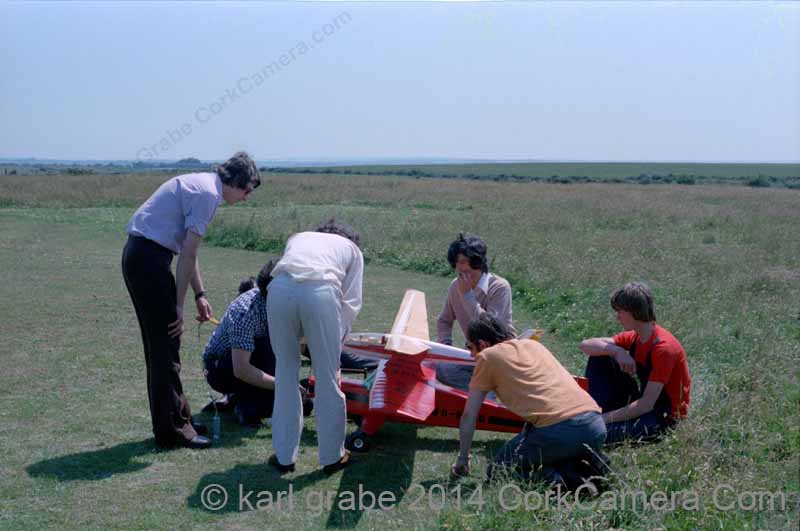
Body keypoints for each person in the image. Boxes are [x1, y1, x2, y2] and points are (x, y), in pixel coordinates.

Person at [121, 151, 261, 449]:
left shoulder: (204, 186)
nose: (247, 196)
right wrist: (178, 307)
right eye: (247, 189)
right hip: (148, 261)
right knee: (164, 348)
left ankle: (179, 419)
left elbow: (188, 249)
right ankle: (172, 431)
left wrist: (200, 294)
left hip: (146, 257)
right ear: (235, 181)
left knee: (166, 347)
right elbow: (187, 254)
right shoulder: (208, 194)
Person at [451, 314, 606, 486]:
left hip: (562, 431)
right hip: (596, 424)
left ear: (482, 344)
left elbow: (469, 415)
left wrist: (463, 459)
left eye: (469, 347)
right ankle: (590, 464)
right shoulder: (532, 345)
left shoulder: (487, 357)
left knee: (498, 471)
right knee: (539, 442)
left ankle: (567, 479)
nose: (471, 355)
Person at [266, 219, 363, 474]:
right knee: (328, 378)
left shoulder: (298, 237)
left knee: (285, 374)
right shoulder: (353, 250)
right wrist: (334, 347)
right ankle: (332, 457)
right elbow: (350, 304)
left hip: (278, 291)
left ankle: (284, 457)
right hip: (321, 291)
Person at [579, 282, 691, 445]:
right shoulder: (635, 337)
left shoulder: (664, 348)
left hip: (661, 417)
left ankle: (595, 420)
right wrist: (617, 352)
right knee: (601, 355)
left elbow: (646, 405)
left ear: (634, 312)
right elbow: (585, 345)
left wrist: (604, 419)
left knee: (591, 435)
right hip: (644, 404)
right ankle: (592, 414)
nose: (617, 316)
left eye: (620, 311)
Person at [436, 233, 516, 392]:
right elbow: (444, 320)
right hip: (473, 355)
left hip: (500, 355)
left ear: (477, 261)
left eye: (463, 262)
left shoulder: (499, 287)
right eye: (456, 263)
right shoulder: (455, 286)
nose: (459, 268)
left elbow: (490, 329)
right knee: (440, 368)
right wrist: (446, 347)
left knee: (450, 375)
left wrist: (467, 297)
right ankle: (485, 390)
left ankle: (489, 392)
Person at [202, 262, 279, 426]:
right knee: (257, 411)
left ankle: (240, 399)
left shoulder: (280, 306)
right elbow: (242, 369)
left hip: (254, 361)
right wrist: (283, 385)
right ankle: (243, 404)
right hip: (221, 368)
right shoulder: (245, 312)